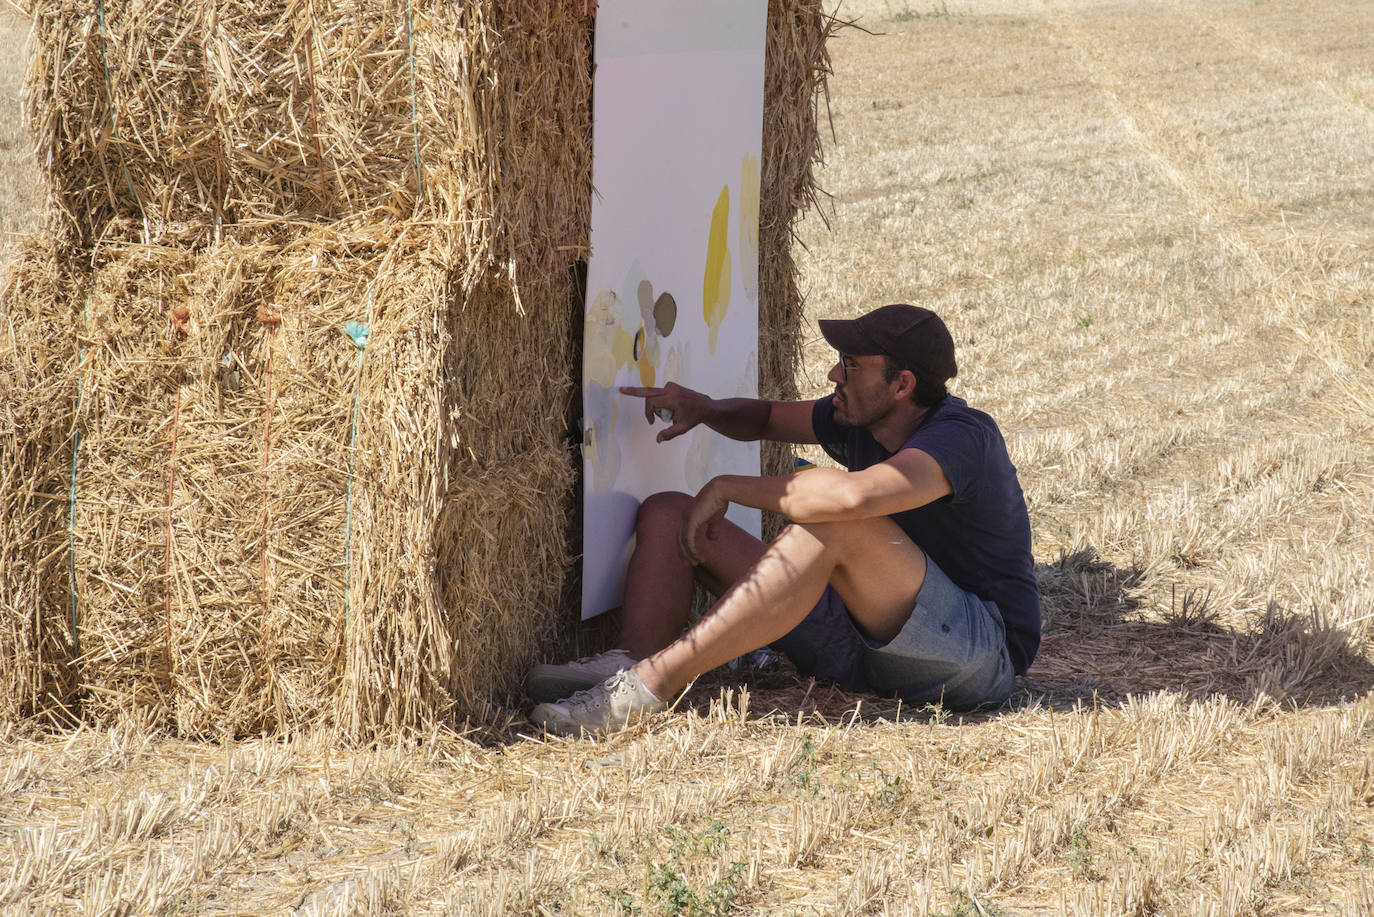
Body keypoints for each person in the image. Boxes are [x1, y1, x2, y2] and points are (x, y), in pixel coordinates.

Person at [528, 304, 1039, 735]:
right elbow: (769, 418)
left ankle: (647, 689)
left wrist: (729, 487)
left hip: (974, 656)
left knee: (837, 522)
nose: (835, 375)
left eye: (851, 365)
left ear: (902, 384)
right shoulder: (861, 418)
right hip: (859, 642)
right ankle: (629, 661)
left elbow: (853, 499)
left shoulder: (963, 438)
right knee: (668, 512)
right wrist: (704, 408)